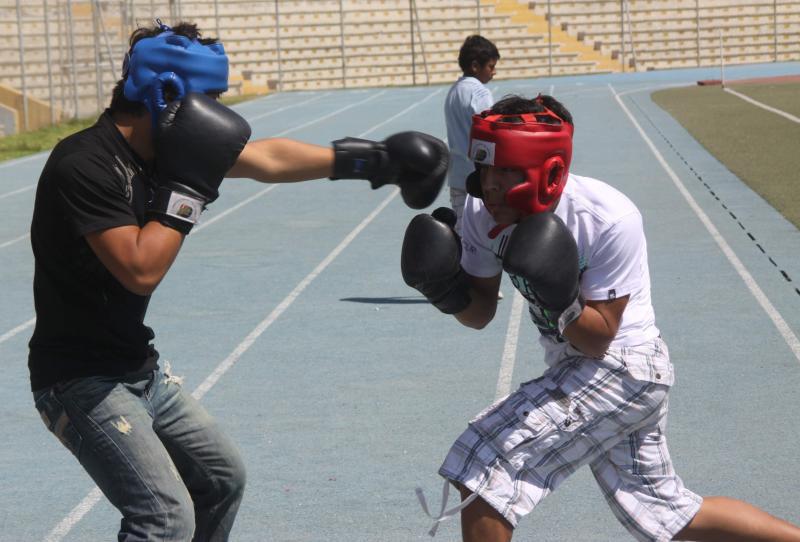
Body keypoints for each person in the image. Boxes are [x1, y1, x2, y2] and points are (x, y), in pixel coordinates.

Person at [29, 20, 448, 541]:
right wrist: (185, 190)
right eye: (212, 98)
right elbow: (140, 269)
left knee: (221, 477)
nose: (221, 115)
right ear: (166, 96)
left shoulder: (167, 148)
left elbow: (268, 158)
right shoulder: (85, 165)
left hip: (136, 366)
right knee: (163, 519)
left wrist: (373, 161)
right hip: (78, 381)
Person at [402, 94, 800, 542]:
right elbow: (479, 315)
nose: (490, 185)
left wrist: (560, 295)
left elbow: (599, 340)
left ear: (548, 171)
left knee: (485, 461)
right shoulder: (482, 209)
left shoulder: (608, 217)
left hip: (627, 365)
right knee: (666, 512)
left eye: (507, 170)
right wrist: (444, 290)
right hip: (577, 368)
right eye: (486, 168)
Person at [443, 35, 499, 235]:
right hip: (479, 179)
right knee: (485, 236)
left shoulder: (454, 91)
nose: (494, 72)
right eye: (491, 66)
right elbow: (492, 133)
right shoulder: (480, 94)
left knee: (463, 235)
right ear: (475, 66)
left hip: (457, 177)